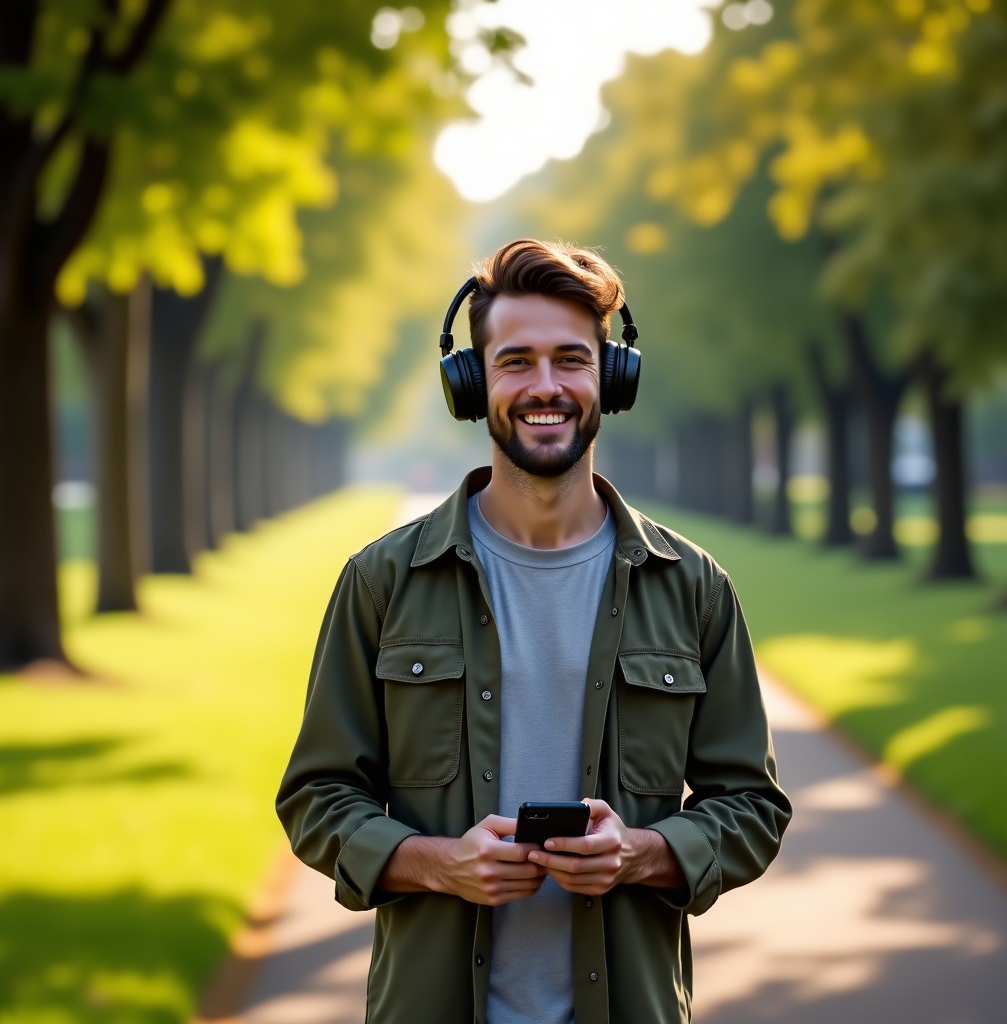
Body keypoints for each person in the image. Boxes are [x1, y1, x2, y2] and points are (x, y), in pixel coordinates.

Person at [276, 239, 791, 1024]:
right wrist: (441, 865)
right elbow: (317, 798)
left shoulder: (693, 588)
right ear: (472, 382)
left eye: (571, 360)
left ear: (610, 379)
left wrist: (639, 854)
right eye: (515, 361)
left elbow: (752, 807)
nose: (544, 386)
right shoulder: (381, 582)